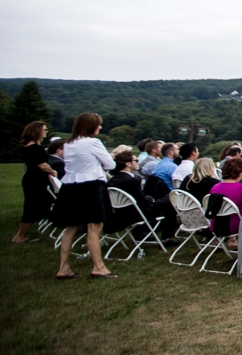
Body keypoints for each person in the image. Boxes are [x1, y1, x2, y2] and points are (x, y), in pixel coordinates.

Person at [52, 113, 118, 279]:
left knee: (71, 227)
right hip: (91, 186)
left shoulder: (68, 144)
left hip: (70, 186)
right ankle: (98, 267)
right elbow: (111, 164)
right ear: (91, 126)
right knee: (94, 228)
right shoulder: (93, 143)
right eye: (98, 124)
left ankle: (64, 267)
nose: (100, 127)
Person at [108, 149, 179, 242]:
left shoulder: (113, 181)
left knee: (159, 189)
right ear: (128, 164)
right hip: (137, 214)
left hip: (121, 214)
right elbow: (143, 202)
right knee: (170, 198)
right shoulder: (130, 180)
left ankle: (140, 234)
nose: (137, 162)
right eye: (135, 160)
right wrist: (151, 199)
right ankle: (166, 237)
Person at [13, 121, 57, 244]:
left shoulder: (27, 147)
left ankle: (20, 235)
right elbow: (42, 165)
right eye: (44, 129)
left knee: (31, 207)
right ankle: (20, 236)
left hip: (30, 179)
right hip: (35, 180)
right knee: (31, 208)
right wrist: (52, 171)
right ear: (37, 131)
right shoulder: (35, 148)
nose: (46, 132)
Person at [208, 157, 242, 239]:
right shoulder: (241, 188)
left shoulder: (215, 187)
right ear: (240, 173)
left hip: (216, 225)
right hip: (235, 226)